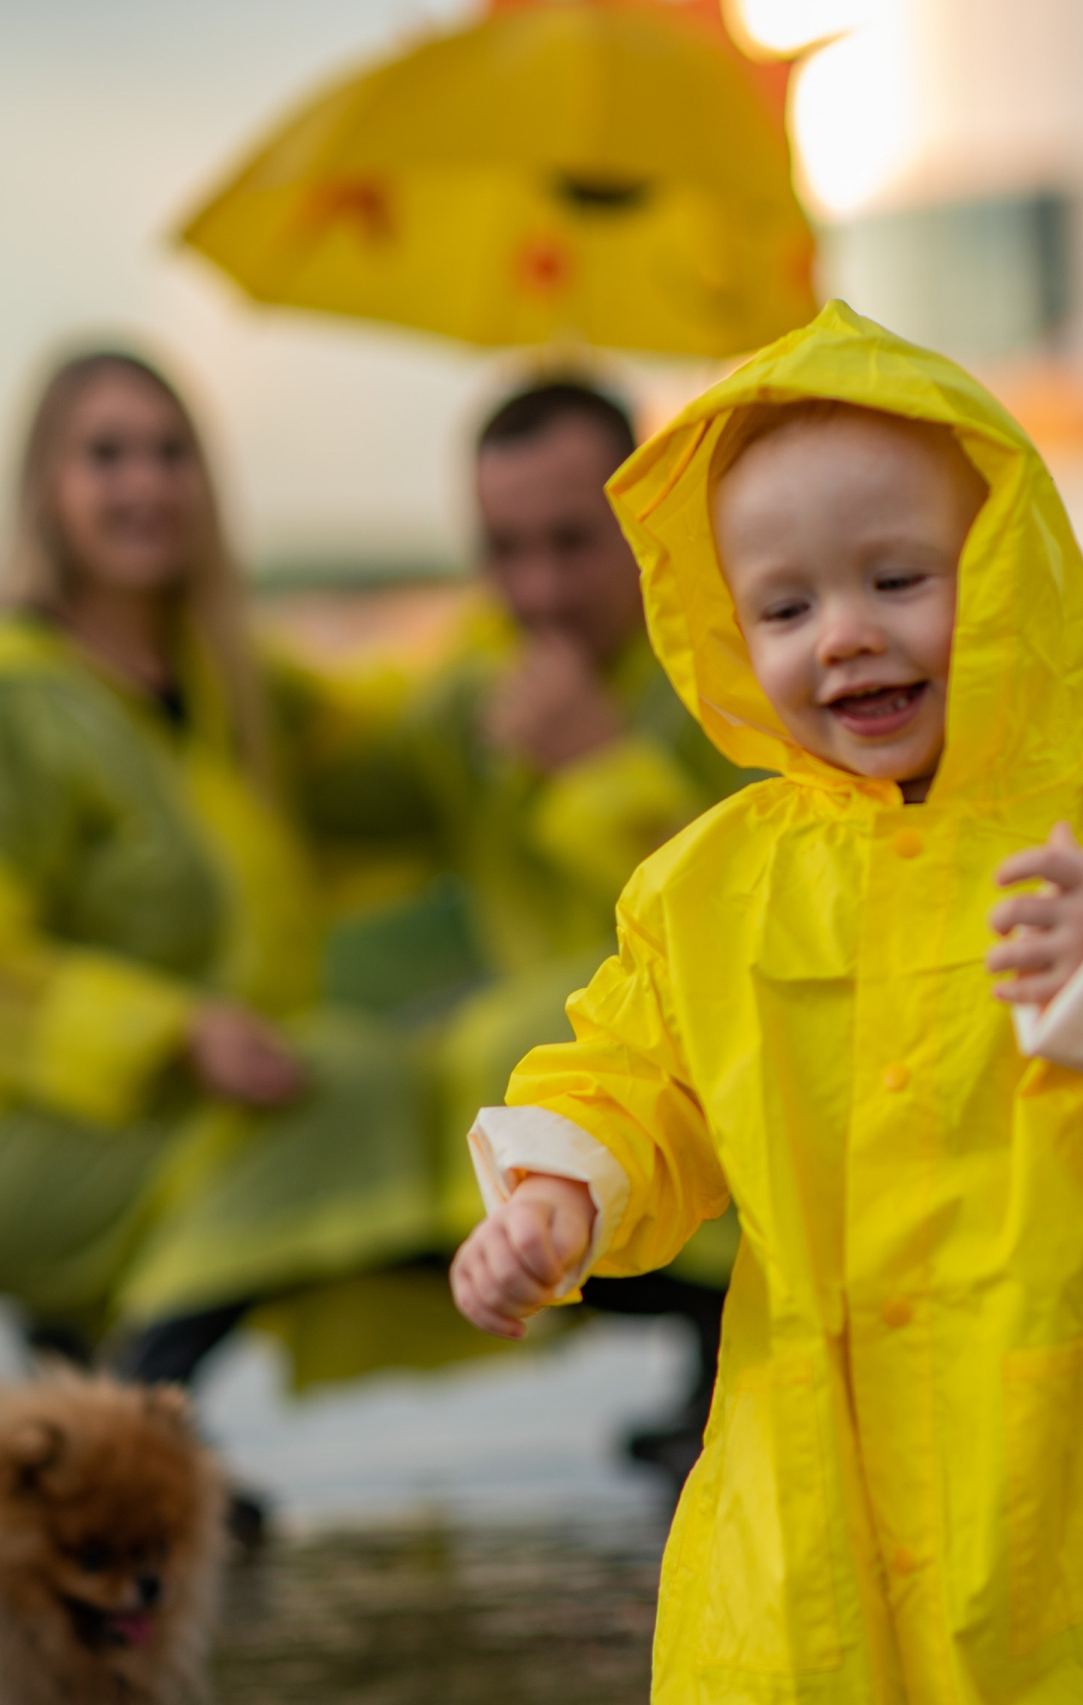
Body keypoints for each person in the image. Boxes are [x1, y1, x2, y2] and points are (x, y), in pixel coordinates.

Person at [449, 304, 1083, 1699]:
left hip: (1073, 1479)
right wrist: (565, 1190)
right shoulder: (718, 884)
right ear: (732, 634)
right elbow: (636, 1068)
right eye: (787, 607)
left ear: (1005, 563)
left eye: (899, 579)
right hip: (812, 1506)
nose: (845, 637)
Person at [0, 350, 482, 1414]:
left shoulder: (221, 675)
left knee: (327, 1081)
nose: (146, 483)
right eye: (106, 455)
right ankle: (136, 1425)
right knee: (340, 1088)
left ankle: (91, 1418)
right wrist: (173, 1032)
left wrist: (517, 640)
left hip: (133, 1103)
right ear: (45, 485)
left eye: (171, 453)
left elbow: (380, 753)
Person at [302, 380, 749, 1471]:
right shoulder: (472, 690)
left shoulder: (739, 659)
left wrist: (603, 771)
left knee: (507, 1045)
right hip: (599, 1120)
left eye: (570, 543)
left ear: (641, 523)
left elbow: (770, 921)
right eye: (505, 549)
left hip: (735, 1097)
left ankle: (732, 1350)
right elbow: (331, 784)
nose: (537, 588)